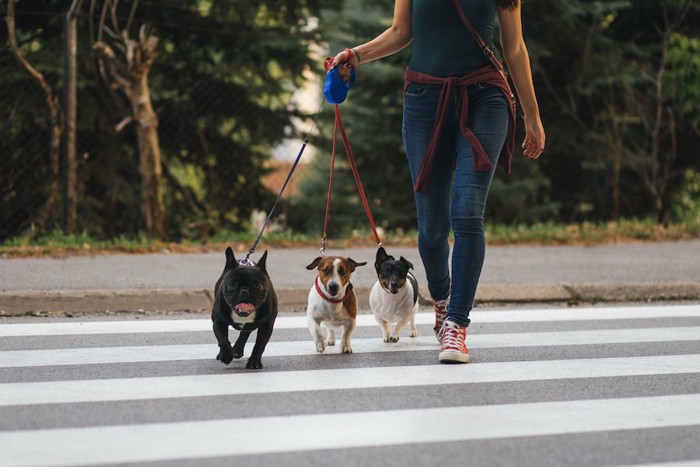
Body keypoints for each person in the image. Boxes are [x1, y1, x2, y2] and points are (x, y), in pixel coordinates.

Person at [331, 0, 545, 363]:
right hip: (424, 100)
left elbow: (514, 47)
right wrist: (356, 55)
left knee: (466, 212)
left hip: (485, 98)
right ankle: (443, 300)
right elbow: (402, 32)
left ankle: (457, 324)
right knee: (431, 227)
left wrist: (533, 116)